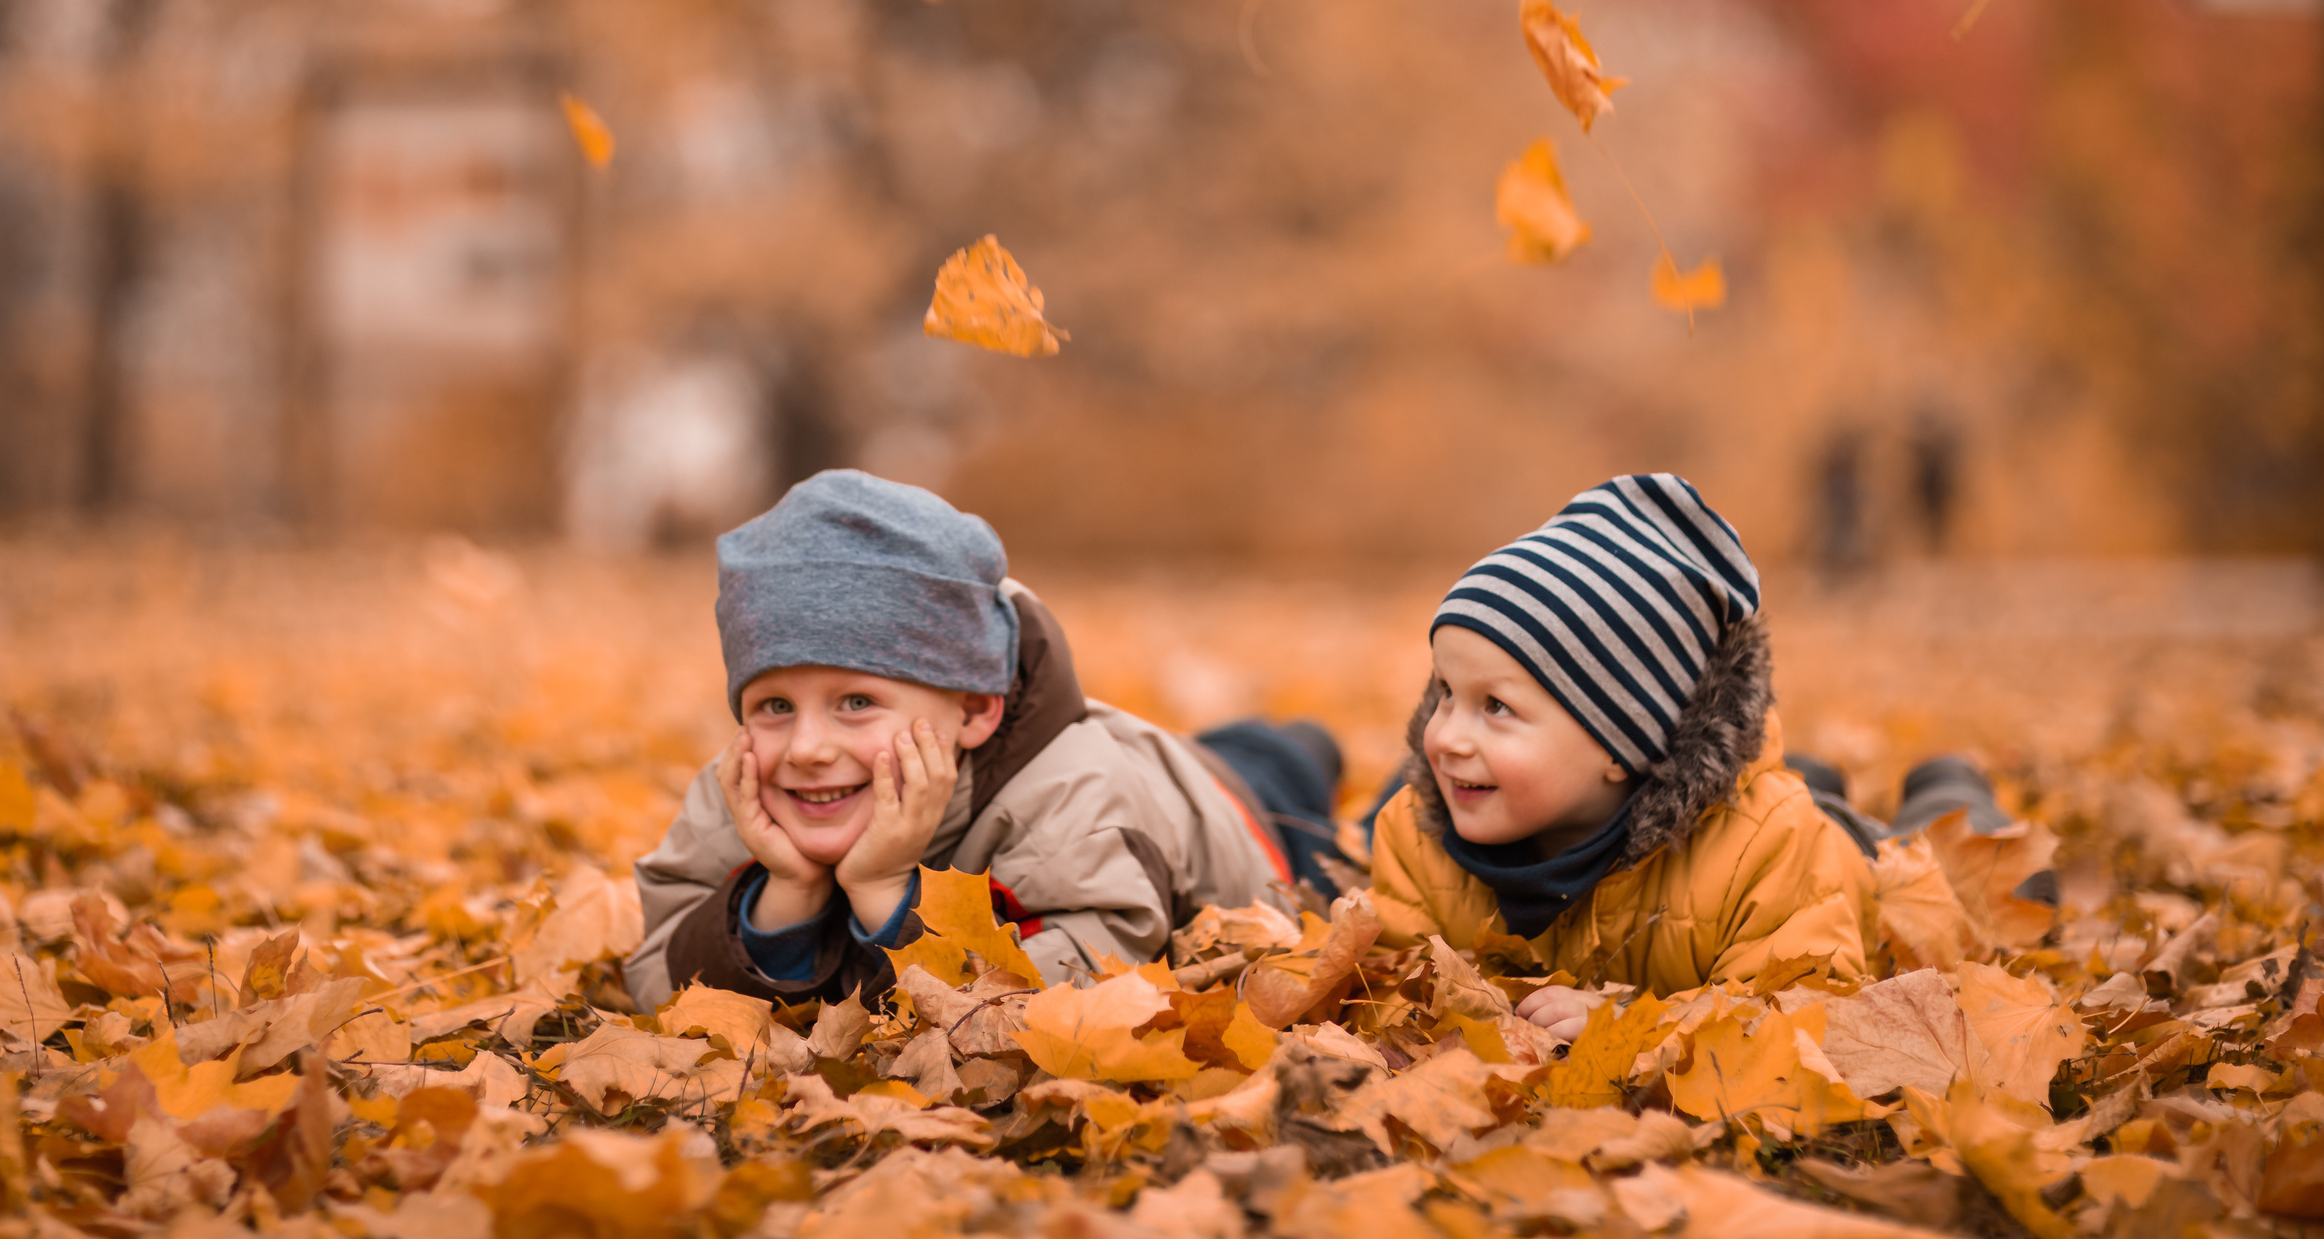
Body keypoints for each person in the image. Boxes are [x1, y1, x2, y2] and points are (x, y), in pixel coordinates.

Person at [625, 469, 1342, 1005]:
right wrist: (784, 892)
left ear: (972, 710)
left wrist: (883, 892)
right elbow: (658, 972)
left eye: (855, 701)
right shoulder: (749, 791)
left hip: (1237, 810)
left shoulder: (1068, 796)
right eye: (774, 703)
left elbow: (1083, 976)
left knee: (1285, 771)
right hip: (1150, 771)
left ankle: (1307, 749)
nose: (807, 747)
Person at [1369, 474, 1879, 1041]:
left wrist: (1636, 1026)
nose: (1446, 739)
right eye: (1445, 693)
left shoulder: (1768, 850)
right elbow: (1385, 990)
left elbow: (1803, 1019)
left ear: (1624, 743)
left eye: (1495, 705)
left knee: (1876, 828)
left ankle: (1935, 787)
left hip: (1845, 856)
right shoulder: (1414, 836)